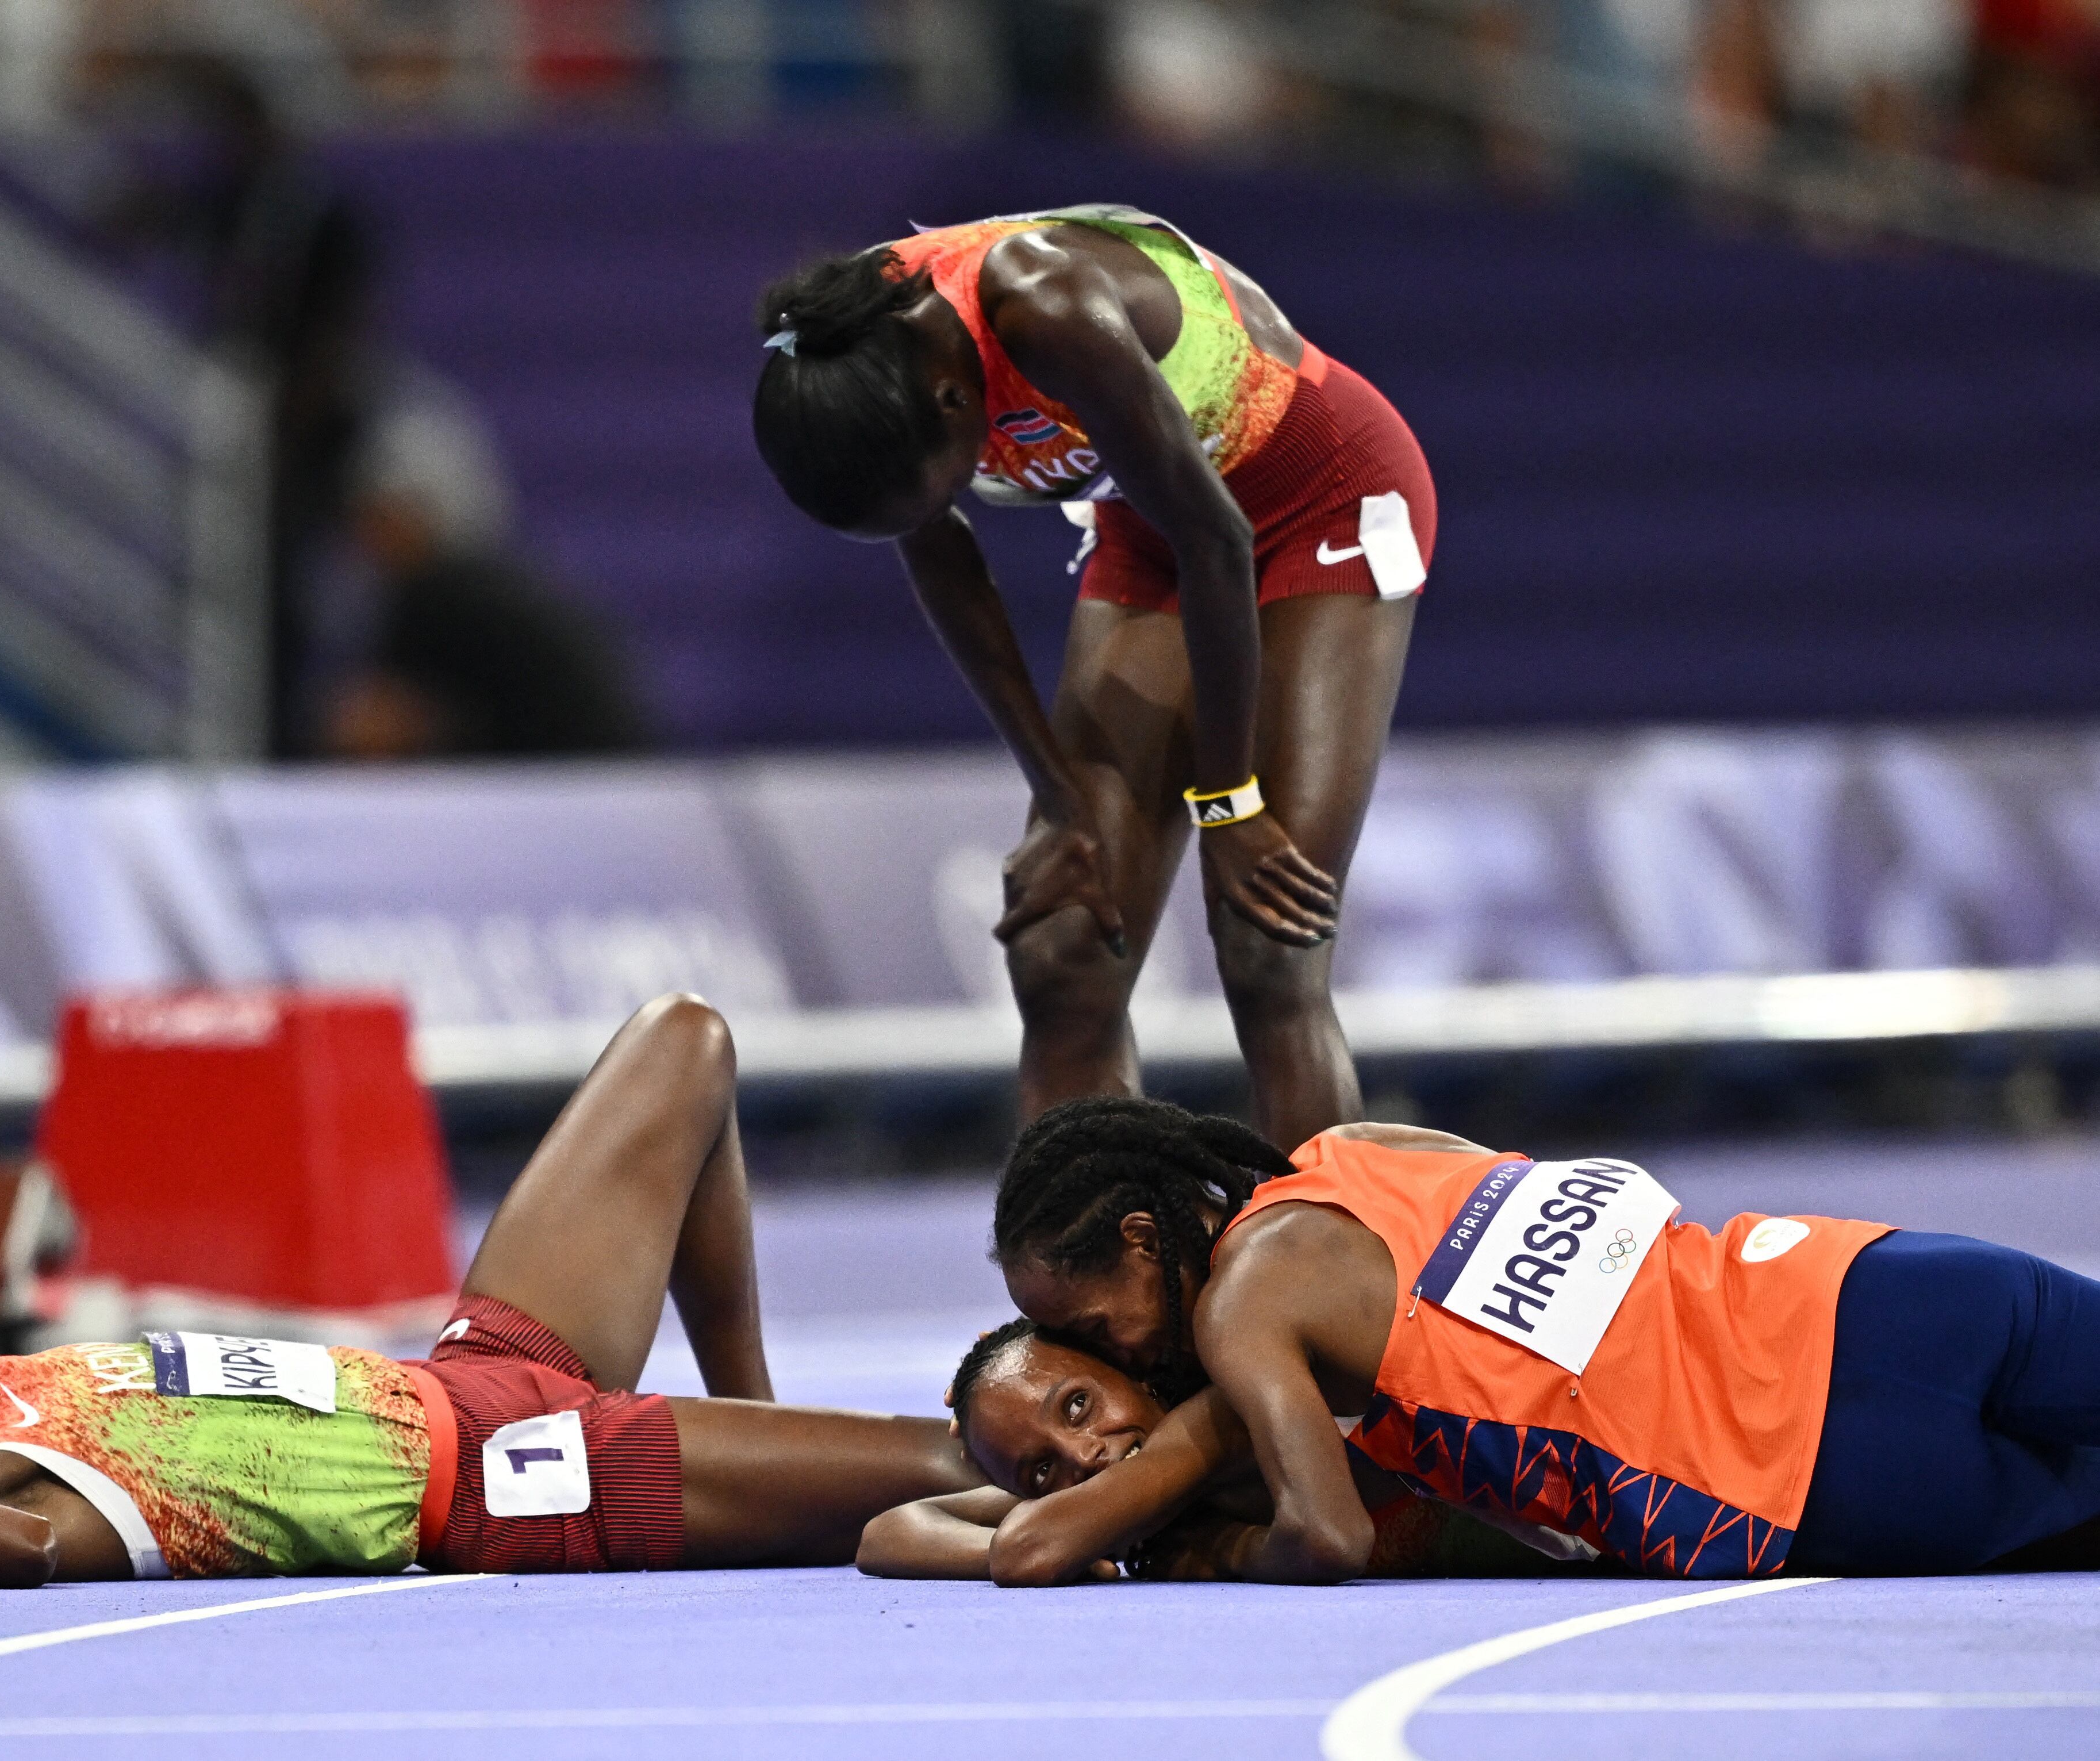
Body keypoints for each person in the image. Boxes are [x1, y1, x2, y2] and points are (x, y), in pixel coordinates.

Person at [0, 995, 978, 1588]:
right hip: (508, 1478)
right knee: (956, 1452)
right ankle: (1167, 1488)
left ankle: (751, 1413)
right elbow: (27, 1555)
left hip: (465, 1368)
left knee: (684, 1044)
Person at [751, 204, 1434, 1150]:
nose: (947, 505)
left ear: (956, 400)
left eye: (949, 486)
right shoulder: (845, 361)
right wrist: (1060, 798)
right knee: (1065, 948)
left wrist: (1229, 804)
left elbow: (1220, 541)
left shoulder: (1047, 307)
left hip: (1319, 499)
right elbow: (950, 569)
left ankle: (1323, 1280)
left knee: (1269, 943)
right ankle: (1096, 1285)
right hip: (1158, 530)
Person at [975, 1096, 2100, 1582]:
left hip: (1803, 1462)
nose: (1114, 1352)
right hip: (1874, 1283)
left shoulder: (1239, 1314)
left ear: (1140, 1237)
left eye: (1089, 1325)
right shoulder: (1357, 1146)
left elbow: (1325, 1533)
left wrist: (1218, 1554)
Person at [857, 1316, 1596, 1582]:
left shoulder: (1241, 1405)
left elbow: (1029, 1550)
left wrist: (1228, 1550)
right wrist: (1090, 1542)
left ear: (1135, 1364)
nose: (1082, 1456)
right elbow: (890, 1531)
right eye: (1041, 1469)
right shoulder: (1110, 1505)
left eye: (1078, 1405)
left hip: (1633, 1513)